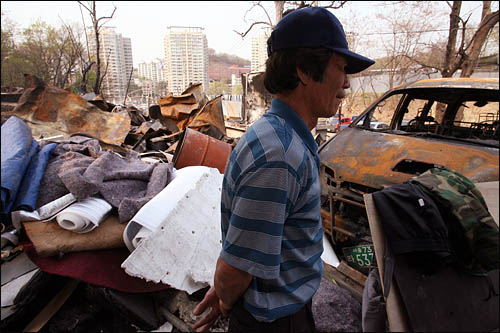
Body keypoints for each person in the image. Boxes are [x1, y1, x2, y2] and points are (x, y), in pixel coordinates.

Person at [192, 6, 374, 332]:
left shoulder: (276, 135)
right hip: (275, 323)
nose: (347, 83)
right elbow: (235, 268)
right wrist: (225, 296)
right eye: (340, 68)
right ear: (304, 70)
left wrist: (226, 289)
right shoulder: (280, 157)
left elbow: (245, 253)